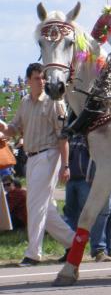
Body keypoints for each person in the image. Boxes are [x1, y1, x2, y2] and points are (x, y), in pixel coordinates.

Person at [0, 63, 74, 266]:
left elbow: (63, 136)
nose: (41, 81)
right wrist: (4, 127)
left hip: (49, 155)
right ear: (28, 81)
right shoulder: (24, 102)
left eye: (43, 78)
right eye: (36, 78)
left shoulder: (53, 102)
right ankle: (74, 243)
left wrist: (65, 165)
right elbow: (14, 129)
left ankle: (33, 253)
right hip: (31, 158)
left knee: (35, 205)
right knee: (44, 208)